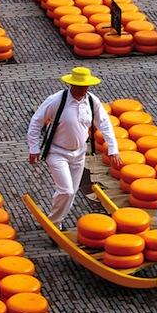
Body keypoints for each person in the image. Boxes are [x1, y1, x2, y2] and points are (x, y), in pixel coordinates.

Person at [27, 66, 122, 229]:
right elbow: (36, 121)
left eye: (85, 86)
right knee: (66, 191)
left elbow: (105, 124)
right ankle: (55, 224)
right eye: (79, 86)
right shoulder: (57, 100)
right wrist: (34, 148)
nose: (83, 89)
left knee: (71, 191)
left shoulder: (92, 102)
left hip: (79, 154)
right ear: (71, 85)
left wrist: (113, 149)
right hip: (57, 152)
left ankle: (57, 220)